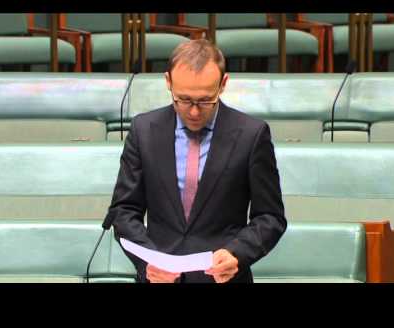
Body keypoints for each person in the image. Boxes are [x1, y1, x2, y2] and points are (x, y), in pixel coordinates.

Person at [109, 39, 286, 283]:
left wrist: (237, 253)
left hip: (222, 279)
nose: (193, 111)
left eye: (204, 101)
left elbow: (270, 217)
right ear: (168, 81)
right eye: (183, 99)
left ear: (223, 84)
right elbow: (124, 211)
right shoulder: (144, 130)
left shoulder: (251, 135)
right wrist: (148, 261)